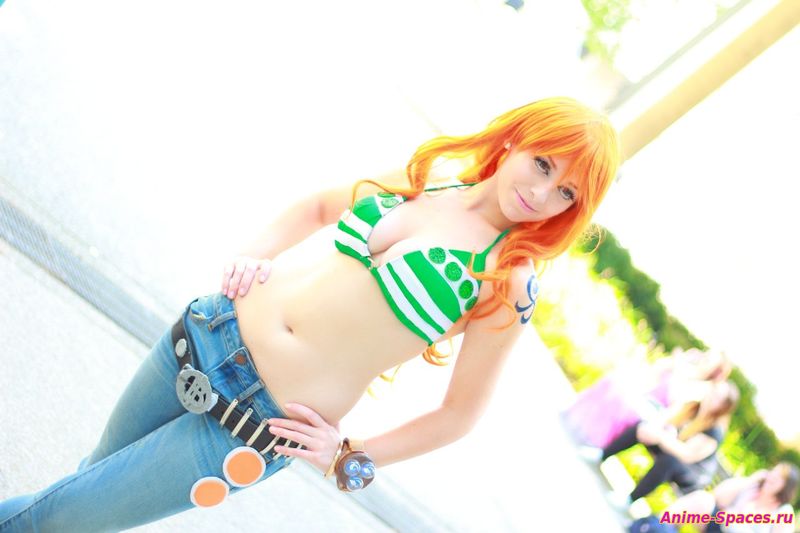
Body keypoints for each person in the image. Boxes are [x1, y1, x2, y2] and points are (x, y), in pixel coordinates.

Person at [0, 97, 621, 531]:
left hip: (255, 426)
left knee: (58, 519)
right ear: (515, 140)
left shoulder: (507, 280)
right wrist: (253, 254)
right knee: (82, 488)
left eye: (566, 192)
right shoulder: (433, 176)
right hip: (208, 333)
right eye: (543, 164)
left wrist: (349, 454)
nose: (541, 193)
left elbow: (458, 415)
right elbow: (320, 208)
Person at [596, 379, 740, 507]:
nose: (712, 396)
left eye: (718, 397)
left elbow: (686, 455)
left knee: (669, 461)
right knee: (643, 427)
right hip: (672, 448)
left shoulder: (715, 432)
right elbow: (666, 420)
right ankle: (601, 455)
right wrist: (655, 430)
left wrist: (661, 437)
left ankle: (629, 500)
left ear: (723, 407)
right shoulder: (693, 407)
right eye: (714, 391)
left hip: (691, 473)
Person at [564, 347, 732, 448]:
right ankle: (579, 422)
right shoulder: (686, 366)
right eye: (707, 355)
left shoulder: (701, 388)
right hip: (646, 394)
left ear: (715, 370)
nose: (705, 358)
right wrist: (677, 362)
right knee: (614, 382)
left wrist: (678, 370)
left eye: (710, 359)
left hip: (657, 410)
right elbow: (656, 371)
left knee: (622, 401)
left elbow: (676, 406)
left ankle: (593, 439)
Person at [658, 462, 798, 533]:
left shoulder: (784, 512)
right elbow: (718, 496)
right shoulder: (751, 488)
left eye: (780, 477)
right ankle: (657, 527)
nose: (773, 476)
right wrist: (750, 480)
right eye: (774, 472)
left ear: (786, 487)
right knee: (702, 499)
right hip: (720, 527)